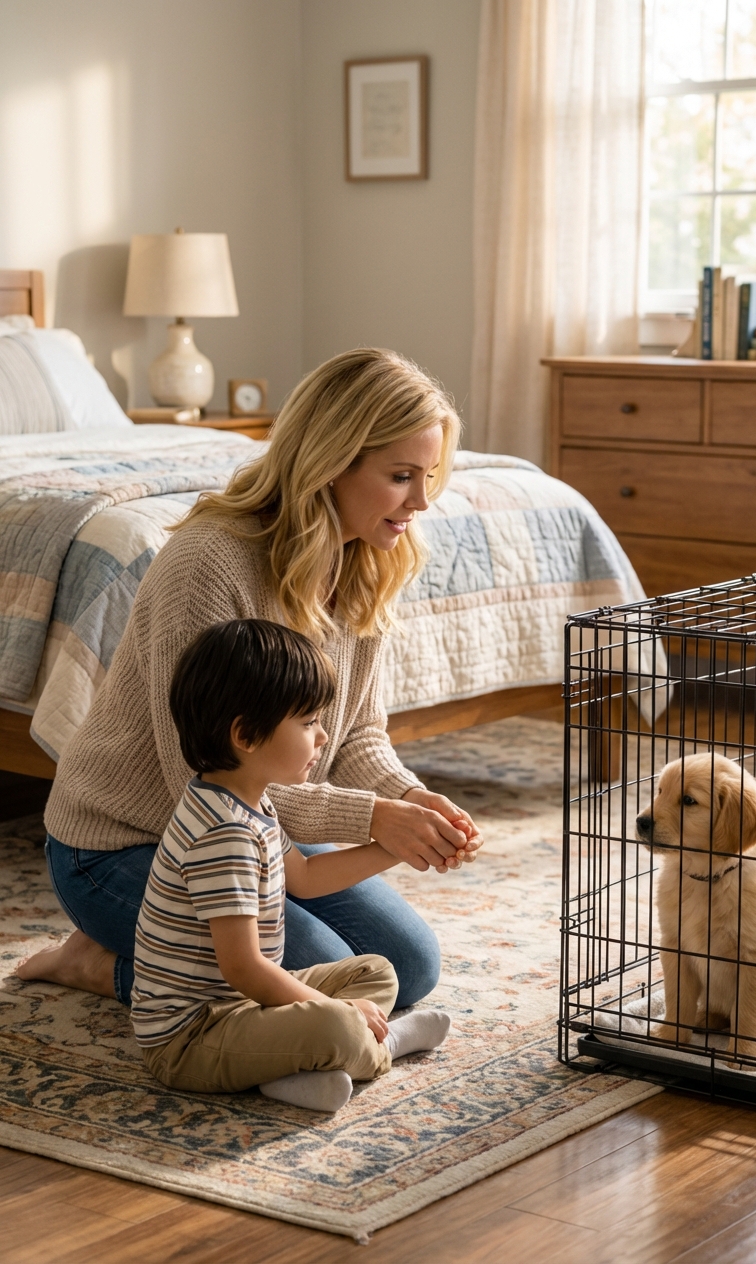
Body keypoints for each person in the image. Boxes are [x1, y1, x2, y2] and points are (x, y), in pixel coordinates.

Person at [19, 348, 480, 1009]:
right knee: (316, 977)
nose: (424, 500)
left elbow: (357, 738)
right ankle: (96, 965)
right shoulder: (208, 565)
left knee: (407, 967)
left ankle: (146, 959)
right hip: (128, 844)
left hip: (261, 828)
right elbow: (209, 783)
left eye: (430, 474)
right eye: (403, 475)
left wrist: (413, 802)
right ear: (330, 461)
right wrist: (375, 818)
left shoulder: (366, 563)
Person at [134, 618, 454, 1112]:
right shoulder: (223, 833)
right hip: (192, 1038)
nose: (323, 736)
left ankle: (289, 1073)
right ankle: (381, 1045)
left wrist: (398, 847)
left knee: (377, 971)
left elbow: (303, 879)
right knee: (337, 1022)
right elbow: (242, 967)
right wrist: (335, 1010)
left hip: (242, 1011)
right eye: (307, 723)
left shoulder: (248, 801)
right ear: (245, 735)